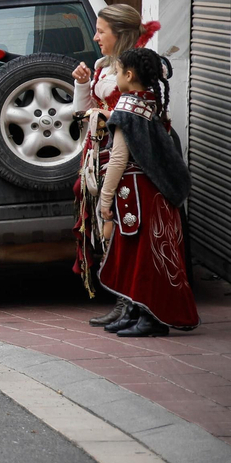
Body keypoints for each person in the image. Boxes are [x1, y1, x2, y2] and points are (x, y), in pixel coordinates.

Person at [90, 47, 195, 336]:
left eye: (117, 71)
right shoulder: (150, 102)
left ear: (129, 74)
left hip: (136, 195)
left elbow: (119, 157)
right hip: (155, 193)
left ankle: (151, 318)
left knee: (142, 258)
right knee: (149, 255)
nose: (115, 76)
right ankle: (137, 311)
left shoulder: (126, 108)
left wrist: (105, 198)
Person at [73, 4, 157, 326]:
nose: (95, 37)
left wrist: (112, 118)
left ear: (120, 35)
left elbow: (143, 118)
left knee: (125, 231)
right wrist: (82, 85)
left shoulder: (142, 68)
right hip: (100, 158)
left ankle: (134, 306)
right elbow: (83, 115)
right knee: (107, 233)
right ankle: (124, 305)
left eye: (101, 31)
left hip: (127, 163)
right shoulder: (102, 67)